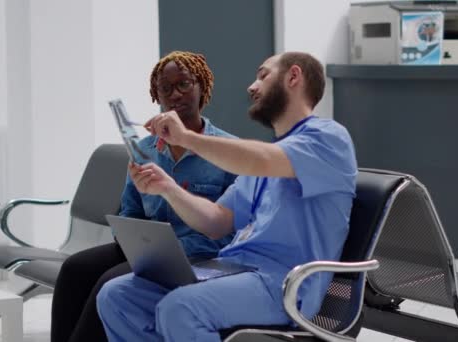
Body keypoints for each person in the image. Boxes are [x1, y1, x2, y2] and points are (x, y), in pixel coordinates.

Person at [96, 52, 358, 342]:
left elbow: (262, 159)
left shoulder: (328, 138)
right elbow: (216, 221)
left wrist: (186, 138)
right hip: (234, 270)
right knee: (117, 296)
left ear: (293, 76)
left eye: (263, 75)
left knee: (181, 308)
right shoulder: (266, 159)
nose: (252, 86)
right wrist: (166, 187)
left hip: (285, 283)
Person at [50, 51, 237, 342]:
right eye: (165, 88)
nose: (175, 94)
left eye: (184, 84)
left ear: (202, 87)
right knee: (74, 269)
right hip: (149, 249)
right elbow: (130, 209)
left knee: (109, 283)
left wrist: (164, 249)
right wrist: (131, 238)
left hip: (201, 255)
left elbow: (230, 231)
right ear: (156, 95)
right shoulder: (145, 150)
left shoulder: (227, 150)